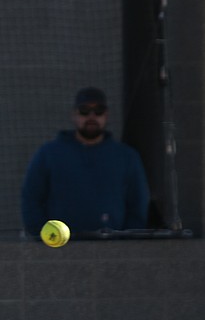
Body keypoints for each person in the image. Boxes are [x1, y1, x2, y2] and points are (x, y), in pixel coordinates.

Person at [20, 87, 150, 237]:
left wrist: (126, 239)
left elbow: (138, 203)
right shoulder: (49, 154)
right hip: (60, 246)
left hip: (112, 247)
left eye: (98, 111)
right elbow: (31, 198)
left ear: (106, 115)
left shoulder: (127, 157)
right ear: (74, 115)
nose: (92, 116)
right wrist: (45, 235)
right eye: (84, 111)